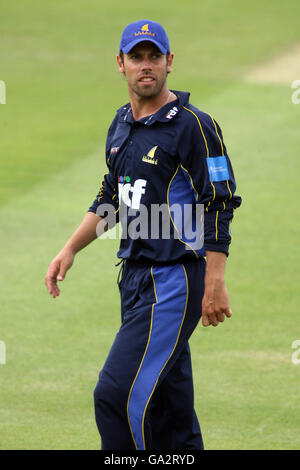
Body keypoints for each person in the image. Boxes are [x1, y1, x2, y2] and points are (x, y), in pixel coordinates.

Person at [45, 19, 242, 451]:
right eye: (137, 57)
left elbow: (220, 200)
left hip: (174, 280)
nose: (146, 65)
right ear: (121, 64)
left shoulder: (195, 125)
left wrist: (214, 280)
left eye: (155, 56)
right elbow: (112, 196)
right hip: (134, 279)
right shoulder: (121, 124)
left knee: (115, 396)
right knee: (170, 411)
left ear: (170, 62)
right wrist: (70, 248)